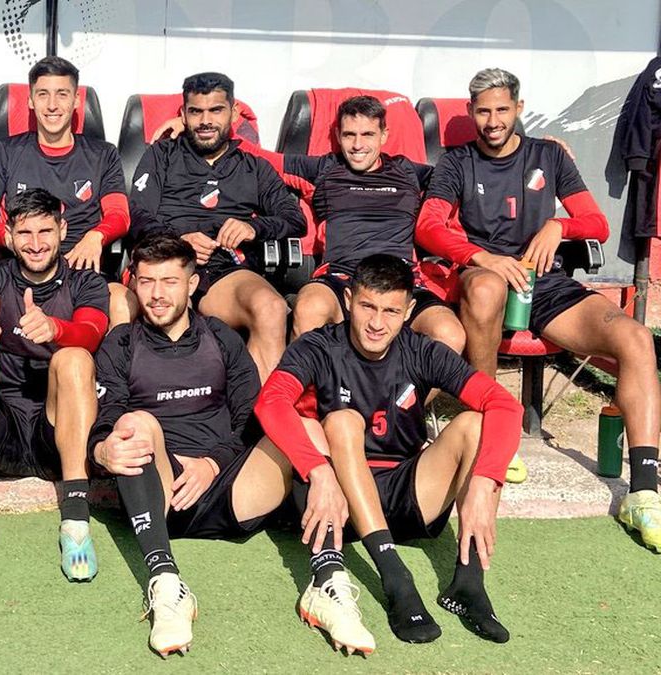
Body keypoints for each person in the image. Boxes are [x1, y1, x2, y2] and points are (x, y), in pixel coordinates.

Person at [415, 67, 660, 530]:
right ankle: (486, 427)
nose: (492, 120)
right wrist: (480, 258)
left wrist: (559, 225)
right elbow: (427, 226)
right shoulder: (455, 162)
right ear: (470, 112)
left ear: (518, 108)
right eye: (483, 111)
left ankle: (645, 490)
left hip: (542, 285)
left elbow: (596, 223)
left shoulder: (548, 155)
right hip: (482, 280)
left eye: (502, 109)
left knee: (636, 339)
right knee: (487, 286)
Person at [259, 254, 523, 653]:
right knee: (342, 422)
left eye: (390, 311)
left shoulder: (422, 351)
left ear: (408, 311)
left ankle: (468, 585)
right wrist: (318, 471)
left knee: (476, 424)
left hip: (406, 494)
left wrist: (485, 483)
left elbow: (506, 405)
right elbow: (271, 402)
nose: (377, 323)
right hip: (341, 504)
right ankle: (395, 576)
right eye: (367, 306)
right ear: (348, 300)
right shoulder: (319, 345)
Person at [90, 231, 293, 657]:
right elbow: (105, 425)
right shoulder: (121, 343)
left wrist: (213, 464)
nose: (157, 295)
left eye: (169, 282)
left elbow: (252, 420)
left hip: (230, 489)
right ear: (134, 283)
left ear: (192, 284)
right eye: (146, 282)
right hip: (160, 492)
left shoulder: (221, 337)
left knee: (298, 430)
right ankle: (165, 584)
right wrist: (103, 450)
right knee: (133, 424)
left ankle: (326, 577)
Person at [0, 188, 108, 581]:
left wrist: (56, 329)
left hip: (57, 433)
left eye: (45, 231)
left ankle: (76, 522)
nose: (35, 244)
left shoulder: (85, 281)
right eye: (25, 233)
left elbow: (91, 332)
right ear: (10, 236)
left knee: (73, 357)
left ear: (63, 230)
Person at [129, 72, 306, 381]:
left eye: (216, 110)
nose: (205, 120)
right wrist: (178, 240)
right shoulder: (161, 155)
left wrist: (254, 228)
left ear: (234, 112)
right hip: (165, 266)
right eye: (196, 111)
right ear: (183, 114)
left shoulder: (253, 167)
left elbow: (295, 219)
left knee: (272, 308)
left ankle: (260, 423)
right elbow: (138, 216)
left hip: (224, 274)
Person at [282, 95, 465, 354]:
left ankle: (405, 396)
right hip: (341, 276)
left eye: (367, 134)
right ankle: (307, 395)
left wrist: (542, 155)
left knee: (450, 334)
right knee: (308, 308)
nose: (358, 145)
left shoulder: (409, 171)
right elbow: (260, 160)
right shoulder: (324, 167)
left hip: (401, 277)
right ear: (338, 134)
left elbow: (463, 172)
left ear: (384, 135)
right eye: (349, 135)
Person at [0, 56, 133, 325]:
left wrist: (95, 237)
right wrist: (9, 240)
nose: (52, 105)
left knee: (123, 302)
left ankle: (110, 368)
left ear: (76, 100)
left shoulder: (103, 154)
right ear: (30, 100)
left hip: (79, 272)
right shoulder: (5, 151)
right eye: (43, 95)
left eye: (62, 94)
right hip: (20, 269)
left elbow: (120, 216)